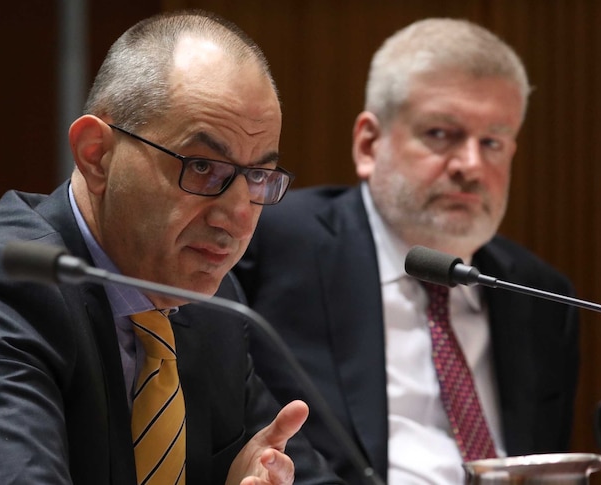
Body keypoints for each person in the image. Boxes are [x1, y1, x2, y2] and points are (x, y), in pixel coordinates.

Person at [0, 11, 341, 485]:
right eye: (203, 167)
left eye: (256, 176)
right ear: (96, 156)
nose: (236, 215)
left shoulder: (206, 303)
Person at [234, 18, 580, 485]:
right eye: (441, 134)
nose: (471, 166)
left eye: (492, 142)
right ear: (368, 144)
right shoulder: (268, 244)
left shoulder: (540, 296)